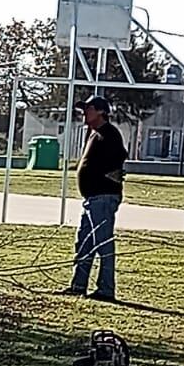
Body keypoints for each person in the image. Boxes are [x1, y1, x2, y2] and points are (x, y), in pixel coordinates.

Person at [58, 93, 126, 301]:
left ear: (101, 112)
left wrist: (113, 172)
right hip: (91, 198)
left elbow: (120, 155)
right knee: (84, 242)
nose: (84, 113)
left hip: (103, 197)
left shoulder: (109, 133)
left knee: (103, 243)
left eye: (88, 109)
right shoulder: (94, 133)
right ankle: (78, 285)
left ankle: (106, 289)